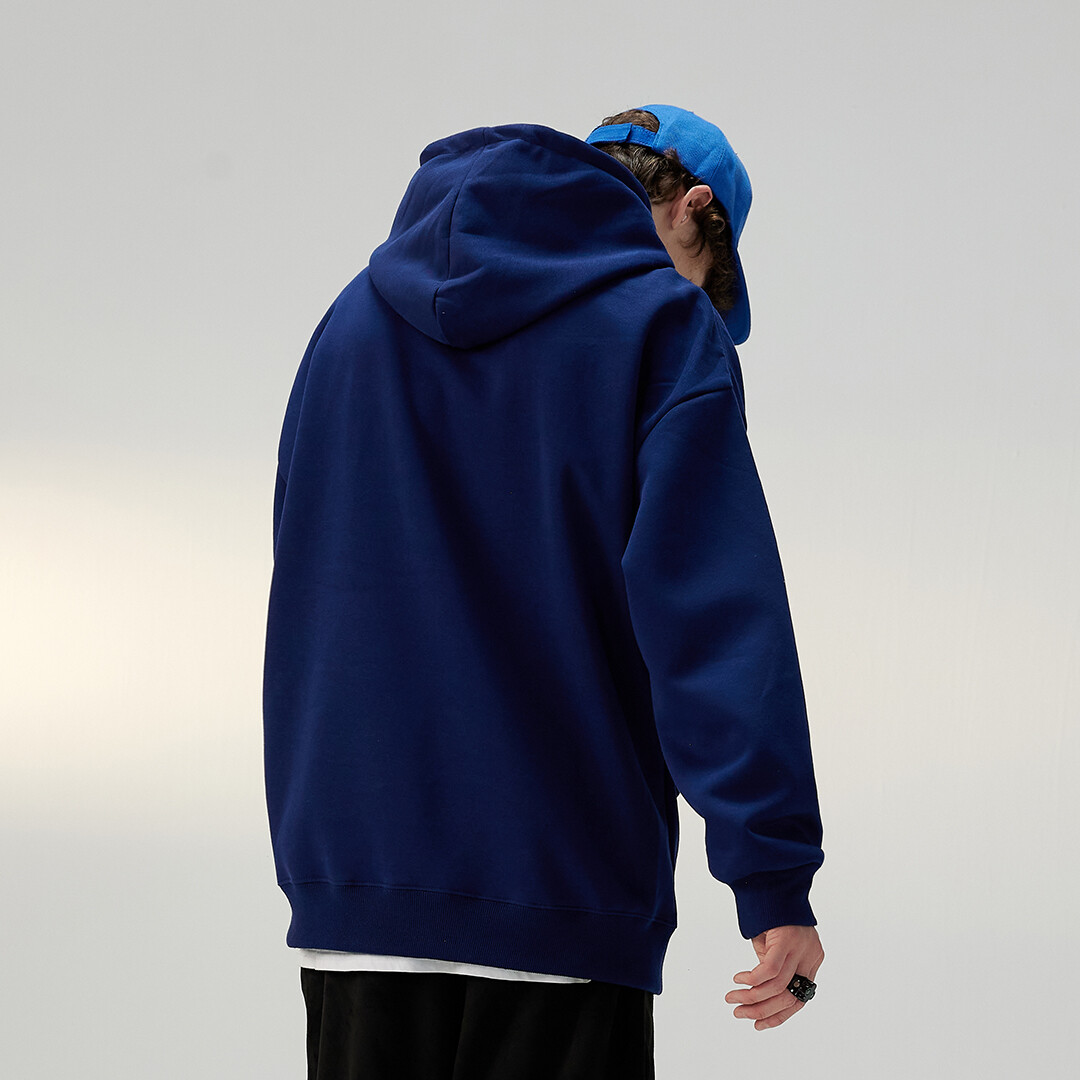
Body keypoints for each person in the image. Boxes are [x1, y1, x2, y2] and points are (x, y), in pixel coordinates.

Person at [263, 103, 825, 1079]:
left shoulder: (352, 320)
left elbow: (314, 576)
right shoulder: (661, 325)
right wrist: (772, 877)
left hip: (354, 890)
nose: (690, 290)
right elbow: (715, 622)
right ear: (694, 209)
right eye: (702, 269)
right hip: (564, 885)